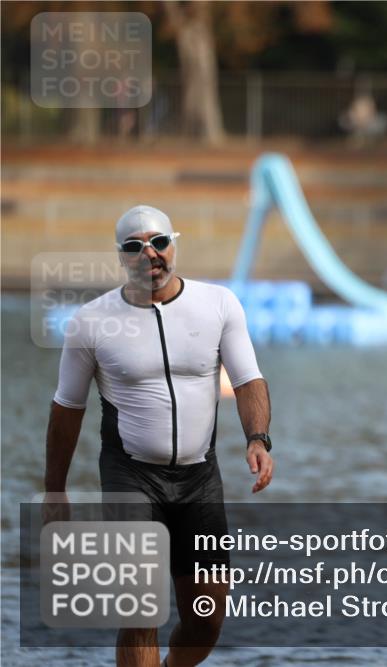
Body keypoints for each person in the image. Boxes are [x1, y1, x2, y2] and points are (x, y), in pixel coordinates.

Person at [45, 205, 275, 667]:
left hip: (199, 479)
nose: (149, 254)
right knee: (139, 613)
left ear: (174, 245)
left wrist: (258, 438)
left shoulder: (218, 304)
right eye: (134, 246)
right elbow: (67, 407)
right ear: (121, 257)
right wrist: (56, 488)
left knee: (206, 619)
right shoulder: (91, 322)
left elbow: (249, 378)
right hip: (130, 475)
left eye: (159, 243)